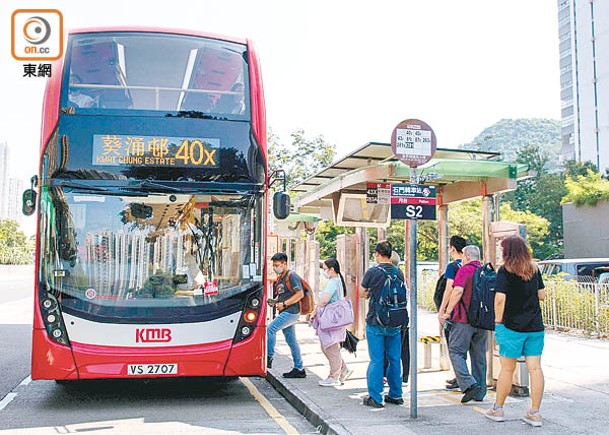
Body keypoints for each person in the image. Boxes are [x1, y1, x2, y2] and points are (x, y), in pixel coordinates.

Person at [485, 235, 546, 427]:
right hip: (535, 327)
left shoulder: (505, 270)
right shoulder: (534, 268)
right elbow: (542, 295)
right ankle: (534, 413)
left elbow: (500, 299)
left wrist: (498, 322)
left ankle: (498, 409)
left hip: (511, 326)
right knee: (535, 368)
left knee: (507, 368)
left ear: (506, 251)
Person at [359, 241, 405, 408]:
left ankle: (376, 398)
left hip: (376, 321)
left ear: (377, 254)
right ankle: (396, 394)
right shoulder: (398, 272)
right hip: (395, 321)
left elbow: (362, 293)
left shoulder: (372, 272)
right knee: (394, 359)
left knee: (377, 360)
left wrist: (371, 292)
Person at [441, 245, 487, 403]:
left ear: (466, 256)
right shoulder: (486, 271)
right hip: (482, 321)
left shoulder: (465, 270)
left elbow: (458, 291)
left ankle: (469, 384)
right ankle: (480, 392)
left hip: (464, 319)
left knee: (456, 351)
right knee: (479, 356)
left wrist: (447, 311)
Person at [311, 258, 353, 387]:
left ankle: (334, 376)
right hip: (336, 319)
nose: (324, 272)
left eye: (325, 269)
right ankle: (343, 369)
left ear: (332, 269)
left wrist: (315, 309)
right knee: (330, 347)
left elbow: (324, 300)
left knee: (330, 347)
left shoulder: (332, 282)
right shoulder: (338, 281)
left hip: (331, 320)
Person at [267, 252, 306, 379]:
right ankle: (299, 368)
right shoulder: (281, 277)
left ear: (284, 264)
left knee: (270, 329)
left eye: (277, 265)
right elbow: (283, 294)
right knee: (291, 341)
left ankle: (268, 357)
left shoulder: (292, 276)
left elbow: (299, 294)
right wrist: (275, 301)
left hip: (291, 311)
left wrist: (284, 304)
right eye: (274, 265)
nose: (275, 267)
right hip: (286, 311)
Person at [438, 235, 467, 389]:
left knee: (454, 347)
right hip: (471, 312)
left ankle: (462, 378)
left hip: (455, 313)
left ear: (453, 249)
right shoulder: (472, 265)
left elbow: (450, 289)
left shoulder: (453, 267)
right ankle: (465, 377)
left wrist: (443, 310)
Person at [383, 251, 409, 385]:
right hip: (402, 313)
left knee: (390, 347)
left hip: (390, 315)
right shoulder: (400, 273)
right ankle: (404, 376)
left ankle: (387, 375)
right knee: (404, 346)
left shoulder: (387, 274)